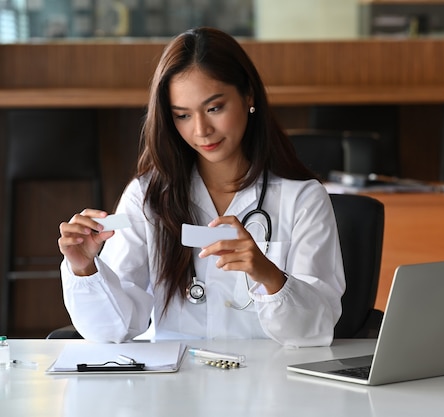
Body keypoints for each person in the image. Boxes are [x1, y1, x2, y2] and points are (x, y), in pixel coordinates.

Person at [57, 27, 345, 347]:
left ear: (248, 95)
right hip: (176, 387)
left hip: (270, 387)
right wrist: (84, 268)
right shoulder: (146, 198)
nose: (201, 130)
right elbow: (114, 330)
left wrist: (268, 275)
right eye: (182, 115)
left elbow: (315, 331)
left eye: (214, 108)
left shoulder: (302, 199)